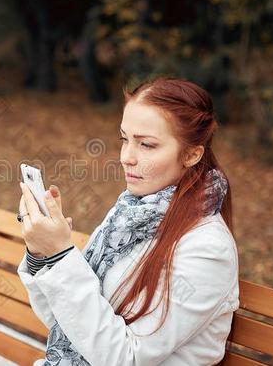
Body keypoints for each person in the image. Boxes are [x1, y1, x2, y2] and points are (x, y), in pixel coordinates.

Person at [17, 76, 239, 365]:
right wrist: (41, 253)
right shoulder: (131, 213)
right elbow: (67, 322)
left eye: (146, 145)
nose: (126, 157)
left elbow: (126, 358)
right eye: (125, 139)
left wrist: (60, 256)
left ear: (192, 154)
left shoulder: (208, 250)